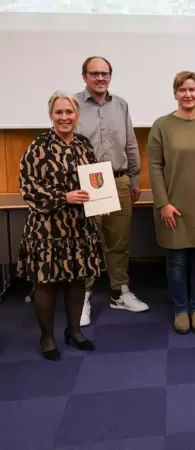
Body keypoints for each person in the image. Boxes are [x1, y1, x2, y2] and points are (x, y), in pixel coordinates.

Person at [17, 91, 105, 360]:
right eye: (59, 112)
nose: (65, 117)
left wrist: (100, 199)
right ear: (51, 115)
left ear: (77, 115)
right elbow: (27, 187)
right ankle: (47, 337)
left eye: (69, 112)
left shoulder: (83, 144)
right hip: (48, 228)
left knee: (79, 280)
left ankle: (74, 331)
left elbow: (95, 180)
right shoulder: (38, 146)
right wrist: (62, 197)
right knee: (47, 284)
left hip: (80, 226)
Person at [76, 56, 148, 327]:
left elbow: (130, 142)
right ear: (84, 77)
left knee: (119, 241)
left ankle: (119, 292)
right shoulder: (73, 104)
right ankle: (83, 296)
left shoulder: (121, 104)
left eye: (105, 74)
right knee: (89, 241)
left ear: (110, 77)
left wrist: (134, 178)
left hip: (118, 180)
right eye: (94, 74)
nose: (100, 78)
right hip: (88, 180)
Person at [148, 71, 195, 335]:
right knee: (176, 262)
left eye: (192, 89)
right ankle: (181, 309)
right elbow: (154, 167)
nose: (188, 95)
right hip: (173, 205)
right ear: (175, 94)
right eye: (182, 90)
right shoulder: (161, 126)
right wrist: (163, 203)